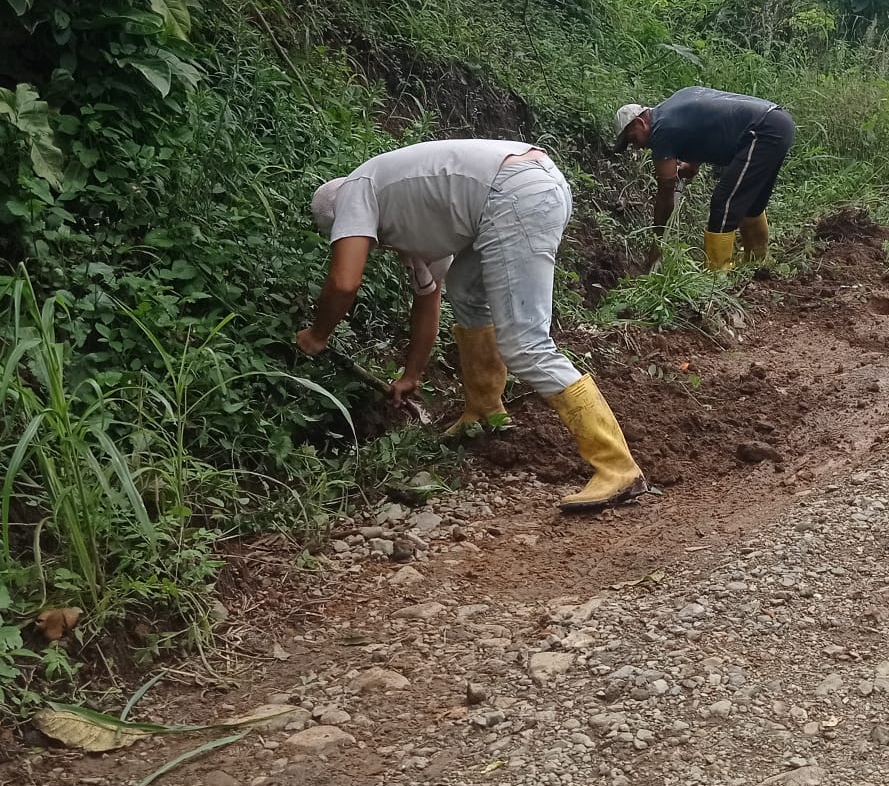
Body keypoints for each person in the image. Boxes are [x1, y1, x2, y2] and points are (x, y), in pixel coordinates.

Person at [297, 138, 645, 512]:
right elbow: (428, 298)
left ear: (342, 223)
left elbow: (344, 283)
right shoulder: (408, 215)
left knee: (525, 345)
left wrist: (317, 334)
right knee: (464, 288)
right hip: (528, 184)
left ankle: (617, 467)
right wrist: (411, 375)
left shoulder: (353, 194)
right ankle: (485, 409)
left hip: (513, 194)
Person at [614, 87, 796, 272]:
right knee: (751, 202)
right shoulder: (673, 107)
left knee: (723, 203)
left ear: (640, 123)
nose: (637, 147)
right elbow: (704, 125)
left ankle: (718, 276)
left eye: (632, 139)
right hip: (777, 122)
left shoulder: (660, 130)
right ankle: (756, 266)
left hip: (761, 133)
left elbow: (666, 192)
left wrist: (657, 236)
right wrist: (692, 164)